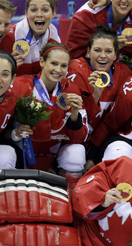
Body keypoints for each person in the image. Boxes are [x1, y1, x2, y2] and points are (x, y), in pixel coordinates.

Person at [10, 42, 89, 173]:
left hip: (54, 156)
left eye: (64, 65)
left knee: (76, 152)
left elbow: (78, 139)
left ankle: (69, 191)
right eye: (54, 63)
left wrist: (75, 115)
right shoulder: (20, 85)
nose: (58, 70)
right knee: (1, 154)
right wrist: (14, 133)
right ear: (42, 61)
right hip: (20, 154)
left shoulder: (72, 89)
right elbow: (0, 127)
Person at [67, 25, 132, 134]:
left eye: (108, 51)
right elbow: (74, 118)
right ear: (88, 52)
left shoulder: (125, 73)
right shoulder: (74, 71)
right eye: (97, 50)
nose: (103, 56)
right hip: (79, 136)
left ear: (116, 54)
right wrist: (95, 96)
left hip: (108, 138)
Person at [0, 0, 60, 76]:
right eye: (33, 10)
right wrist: (6, 66)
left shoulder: (54, 38)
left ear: (53, 14)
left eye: (45, 10)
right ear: (26, 13)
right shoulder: (9, 36)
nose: (39, 14)